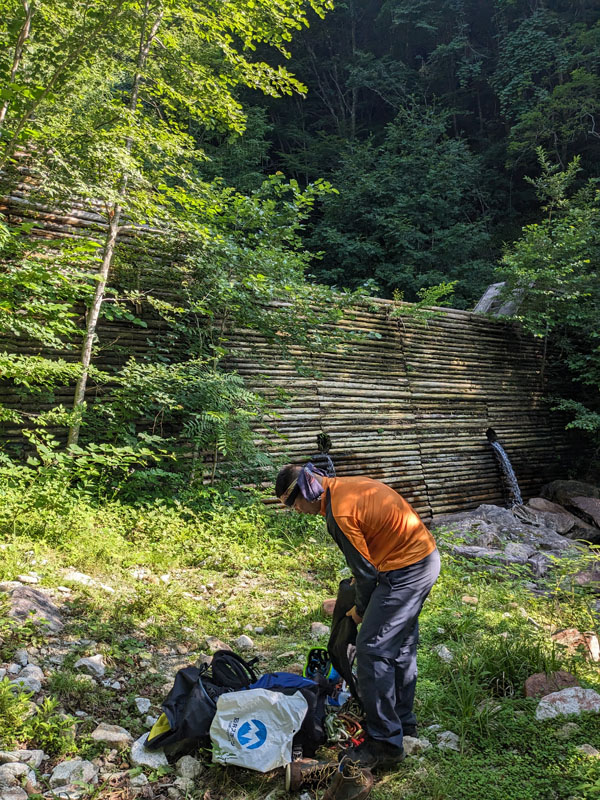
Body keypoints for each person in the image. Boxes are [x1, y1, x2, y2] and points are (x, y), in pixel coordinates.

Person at [275, 462, 440, 770]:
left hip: (406, 570)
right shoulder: (343, 488)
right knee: (401, 645)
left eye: (293, 504)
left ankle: (385, 744)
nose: (297, 511)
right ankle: (402, 723)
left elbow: (366, 575)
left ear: (306, 492)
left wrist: (360, 610)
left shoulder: (338, 513)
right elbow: (369, 546)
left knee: (372, 650)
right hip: (422, 557)